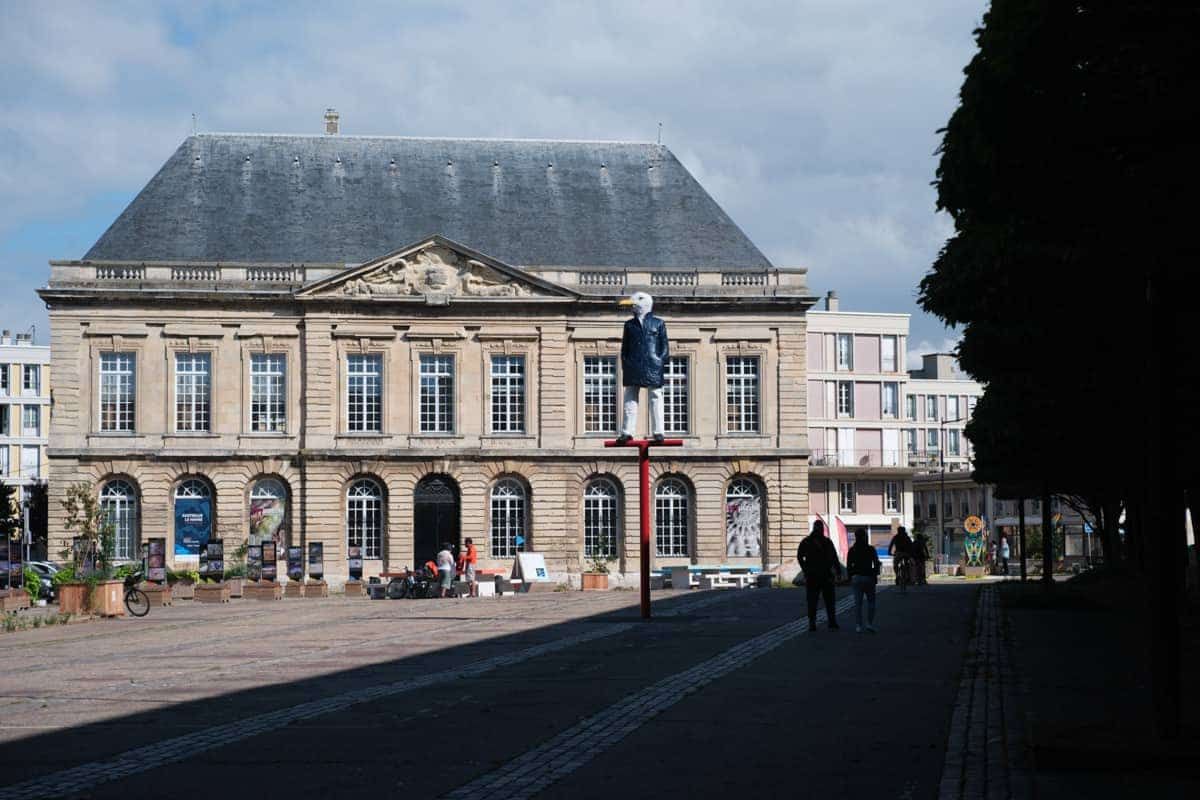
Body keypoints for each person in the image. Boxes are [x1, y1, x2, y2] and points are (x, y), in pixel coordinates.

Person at [616, 292, 669, 444]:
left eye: (635, 302)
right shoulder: (629, 325)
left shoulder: (658, 323)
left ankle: (658, 431)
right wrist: (626, 362)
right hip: (633, 365)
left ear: (645, 303)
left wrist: (660, 360)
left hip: (653, 364)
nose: (632, 305)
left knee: (656, 396)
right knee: (630, 397)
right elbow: (625, 348)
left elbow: (664, 346)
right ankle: (627, 432)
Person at [796, 520, 842, 632]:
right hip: (825, 575)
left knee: (813, 600)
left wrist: (805, 569)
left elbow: (799, 556)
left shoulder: (807, 541)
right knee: (828, 600)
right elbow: (834, 558)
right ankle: (831, 621)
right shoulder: (826, 541)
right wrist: (838, 572)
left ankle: (813, 623)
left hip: (814, 576)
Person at [846, 529, 881, 633]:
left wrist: (850, 577)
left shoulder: (852, 550)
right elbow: (876, 562)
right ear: (865, 537)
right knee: (871, 602)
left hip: (856, 578)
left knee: (858, 603)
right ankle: (869, 624)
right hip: (869, 577)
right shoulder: (870, 549)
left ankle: (858, 626)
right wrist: (875, 574)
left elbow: (848, 565)